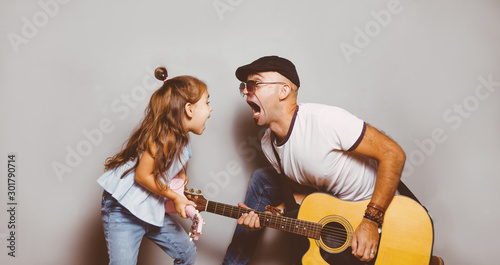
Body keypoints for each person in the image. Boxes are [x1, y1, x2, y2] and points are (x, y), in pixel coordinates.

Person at [222, 56, 406, 264]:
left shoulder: (325, 121)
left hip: (381, 219)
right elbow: (306, 194)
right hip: (339, 227)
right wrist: (270, 215)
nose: (246, 91)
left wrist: (371, 221)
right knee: (262, 177)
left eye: (254, 84)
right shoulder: (268, 144)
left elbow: (393, 153)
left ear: (283, 91)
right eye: (244, 86)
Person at [97, 66, 212, 265]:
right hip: (123, 210)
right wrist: (175, 197)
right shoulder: (162, 138)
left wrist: (182, 176)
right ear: (189, 109)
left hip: (150, 206)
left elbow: (176, 162)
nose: (210, 110)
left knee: (187, 253)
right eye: (207, 103)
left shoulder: (182, 140)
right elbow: (142, 176)